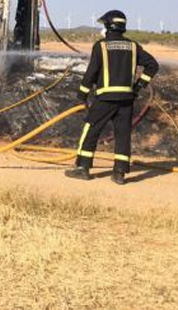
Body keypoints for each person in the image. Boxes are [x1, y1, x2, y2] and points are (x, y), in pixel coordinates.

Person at [66, 10, 159, 184]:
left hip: (105, 99)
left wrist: (82, 95)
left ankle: (83, 168)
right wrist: (139, 86)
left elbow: (91, 73)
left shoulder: (101, 46)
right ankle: (119, 173)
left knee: (91, 129)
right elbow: (153, 65)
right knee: (123, 135)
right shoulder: (133, 46)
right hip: (126, 100)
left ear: (109, 26)